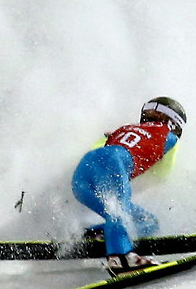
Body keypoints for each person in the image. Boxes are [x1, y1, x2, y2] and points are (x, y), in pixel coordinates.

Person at [71, 96, 187, 275]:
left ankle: (96, 235)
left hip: (82, 173)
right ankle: (121, 257)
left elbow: (98, 149)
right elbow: (161, 175)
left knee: (147, 221)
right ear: (174, 123)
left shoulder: (125, 129)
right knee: (118, 212)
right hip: (113, 164)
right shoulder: (169, 137)